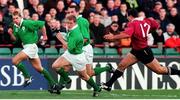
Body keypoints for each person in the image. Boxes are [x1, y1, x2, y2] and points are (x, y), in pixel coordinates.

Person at [102, 9, 180, 91]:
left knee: (159, 70)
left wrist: (113, 37)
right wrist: (147, 31)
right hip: (136, 50)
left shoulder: (133, 23)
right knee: (121, 66)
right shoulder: (147, 20)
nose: (127, 18)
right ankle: (108, 85)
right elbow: (156, 25)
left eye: (127, 16)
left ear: (130, 16)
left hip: (143, 51)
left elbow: (126, 34)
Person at [8, 11, 60, 94]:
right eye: (13, 18)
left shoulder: (27, 22)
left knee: (14, 60)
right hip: (27, 47)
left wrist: (45, 35)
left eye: (17, 18)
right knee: (39, 68)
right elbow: (15, 40)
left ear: (21, 17)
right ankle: (54, 84)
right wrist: (11, 34)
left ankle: (27, 77)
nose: (15, 20)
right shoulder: (15, 27)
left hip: (31, 46)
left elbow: (41, 24)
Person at [51, 15, 101, 97]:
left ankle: (96, 88)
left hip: (77, 57)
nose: (69, 24)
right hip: (70, 54)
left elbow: (69, 47)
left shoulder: (76, 34)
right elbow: (68, 38)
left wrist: (60, 39)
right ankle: (67, 79)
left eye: (70, 23)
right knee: (55, 66)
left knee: (84, 76)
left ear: (75, 23)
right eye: (68, 22)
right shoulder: (71, 28)